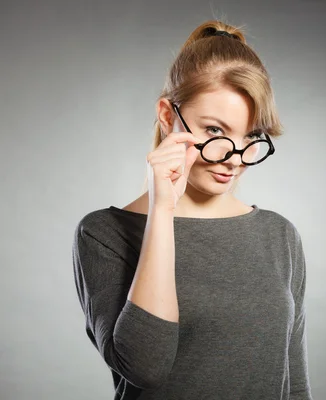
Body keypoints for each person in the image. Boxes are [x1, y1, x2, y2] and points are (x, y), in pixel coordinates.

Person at [72, 20, 313, 400]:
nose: (235, 160)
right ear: (168, 116)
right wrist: (162, 210)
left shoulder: (278, 235)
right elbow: (146, 367)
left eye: (250, 136)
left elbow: (293, 381)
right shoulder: (104, 233)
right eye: (215, 132)